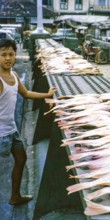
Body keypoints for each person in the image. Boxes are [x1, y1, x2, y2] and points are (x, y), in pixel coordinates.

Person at [0, 39, 56, 205]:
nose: (8, 58)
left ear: (16, 55)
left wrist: (46, 95)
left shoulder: (14, 76)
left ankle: (15, 196)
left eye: (11, 54)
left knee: (21, 158)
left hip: (12, 131)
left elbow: (27, 94)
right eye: (3, 55)